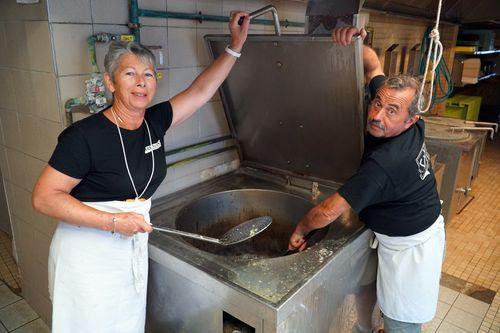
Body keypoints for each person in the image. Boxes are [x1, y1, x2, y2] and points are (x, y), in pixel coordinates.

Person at [31, 12, 250, 333]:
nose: (141, 82)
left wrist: (235, 46)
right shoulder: (84, 137)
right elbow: (44, 198)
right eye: (130, 73)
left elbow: (202, 90)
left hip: (127, 247)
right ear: (110, 82)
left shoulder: (154, 122)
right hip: (87, 256)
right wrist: (114, 222)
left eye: (148, 74)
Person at [289, 27, 445, 333]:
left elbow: (327, 212)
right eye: (377, 104)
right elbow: (373, 63)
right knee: (369, 286)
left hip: (412, 248)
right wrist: (352, 44)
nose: (377, 116)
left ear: (411, 119)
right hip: (398, 229)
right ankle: (365, 328)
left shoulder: (386, 163)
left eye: (391, 112)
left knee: (402, 318)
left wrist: (301, 229)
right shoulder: (400, 110)